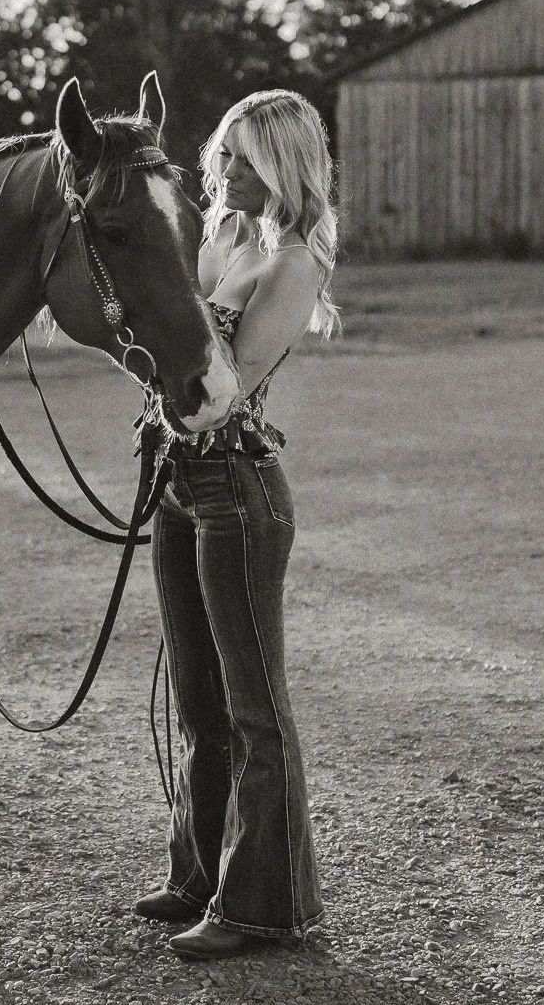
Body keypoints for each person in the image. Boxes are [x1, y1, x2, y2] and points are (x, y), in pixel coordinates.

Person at [134, 89, 341, 959]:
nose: (222, 171)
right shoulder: (221, 238)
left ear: (284, 167)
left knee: (255, 705)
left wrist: (155, 328)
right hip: (180, 482)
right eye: (222, 153)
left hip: (240, 490)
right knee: (198, 701)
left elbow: (231, 380)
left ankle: (266, 904)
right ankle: (199, 872)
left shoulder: (295, 262)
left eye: (244, 159)